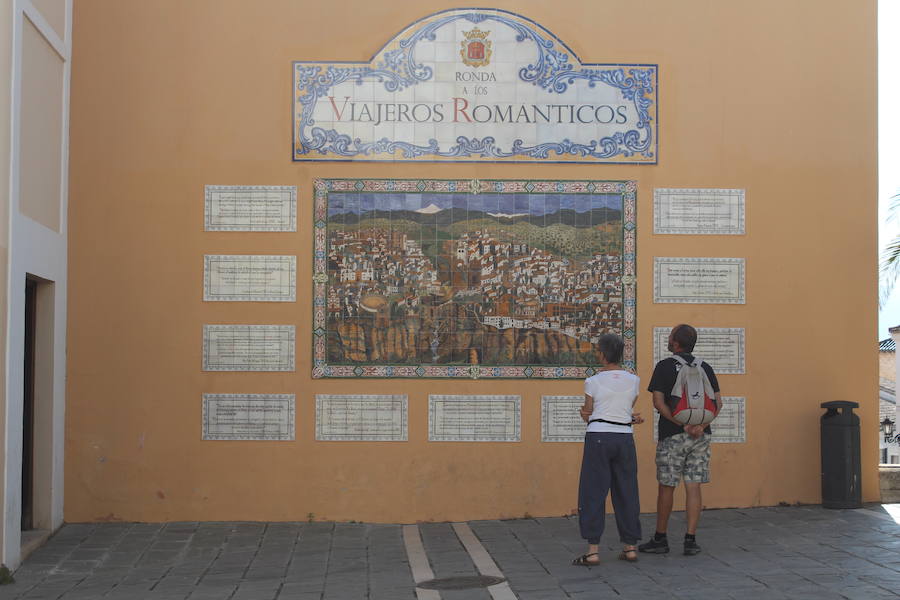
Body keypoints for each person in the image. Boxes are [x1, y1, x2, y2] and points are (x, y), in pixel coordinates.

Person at [638, 324, 721, 556]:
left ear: (675, 343)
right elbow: (718, 403)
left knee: (667, 486)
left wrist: (682, 425)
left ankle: (660, 538)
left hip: (673, 436)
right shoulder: (705, 367)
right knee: (693, 486)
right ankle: (690, 539)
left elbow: (658, 402)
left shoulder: (665, 366)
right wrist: (701, 426)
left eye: (671, 336)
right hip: (701, 436)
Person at [572, 333, 644, 566]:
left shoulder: (593, 381)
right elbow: (626, 409)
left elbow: (589, 411)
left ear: (602, 354)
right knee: (627, 491)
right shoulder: (634, 380)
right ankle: (630, 546)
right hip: (624, 438)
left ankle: (593, 550)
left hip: (598, 437)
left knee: (593, 491)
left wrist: (585, 414)